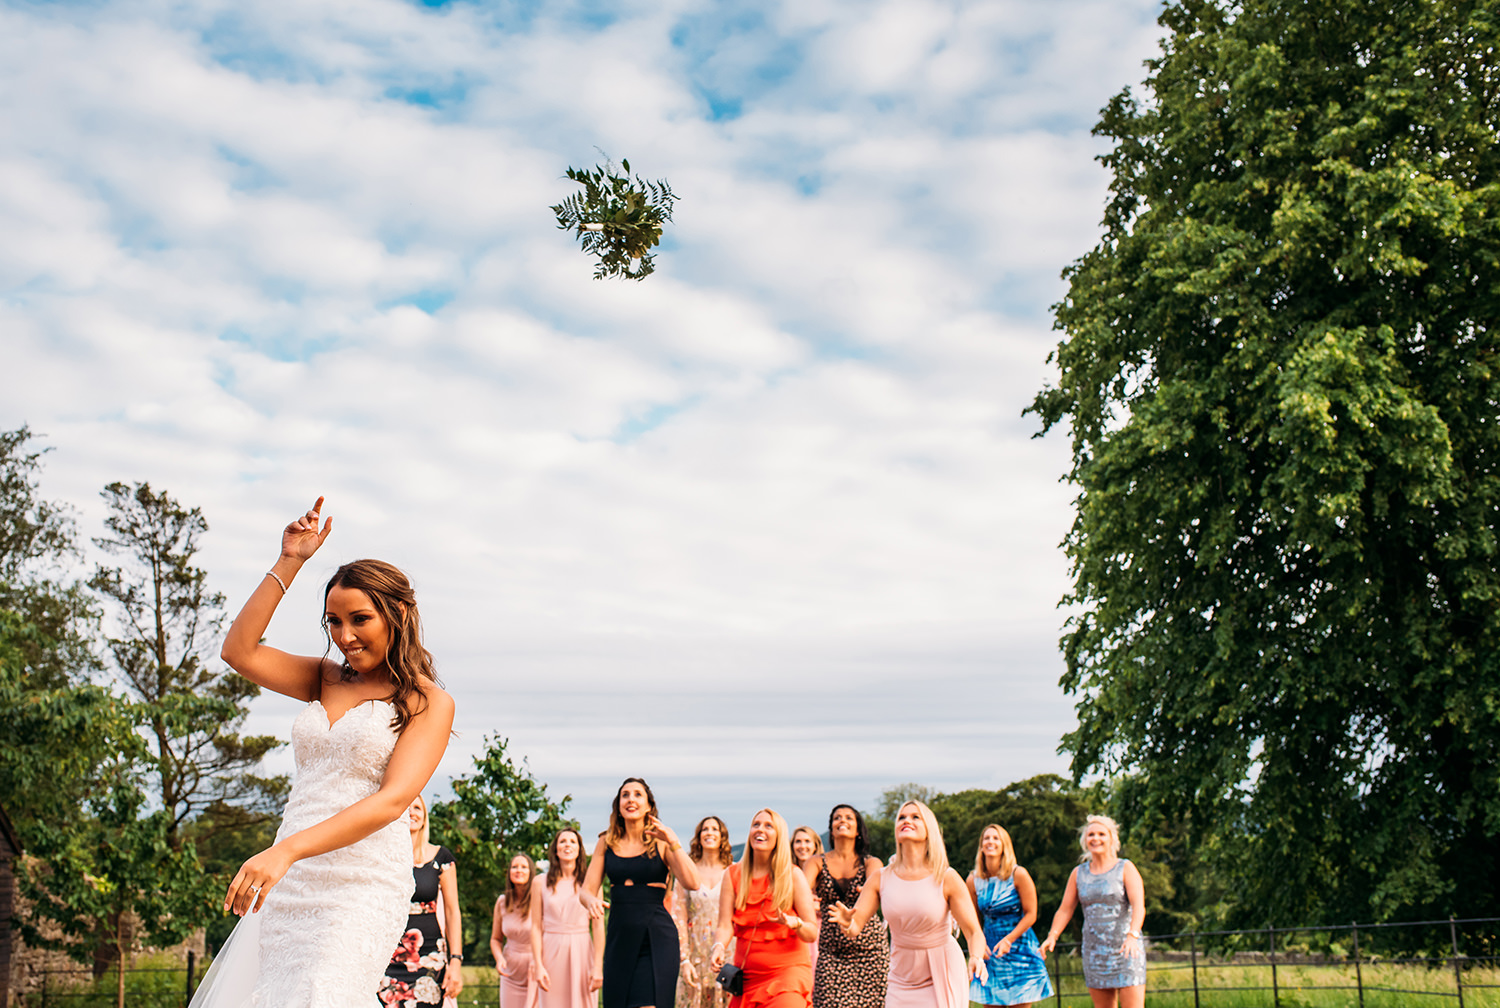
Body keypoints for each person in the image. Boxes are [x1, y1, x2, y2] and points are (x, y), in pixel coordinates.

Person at [198, 498, 455, 1008]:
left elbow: (391, 801)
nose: (344, 636)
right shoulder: (323, 676)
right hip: (290, 875)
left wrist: (285, 851)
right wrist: (291, 559)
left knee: (323, 991)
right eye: (333, 622)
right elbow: (238, 652)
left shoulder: (428, 701)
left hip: (360, 878)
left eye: (359, 619)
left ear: (398, 613)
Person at [831, 802, 987, 1008]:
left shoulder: (946, 877)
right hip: (901, 975)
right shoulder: (881, 878)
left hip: (942, 970)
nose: (907, 821)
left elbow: (973, 931)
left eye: (915, 817)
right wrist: (847, 923)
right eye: (902, 817)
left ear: (929, 829)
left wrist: (976, 956)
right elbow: (855, 927)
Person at [580, 778, 701, 1008]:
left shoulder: (662, 842)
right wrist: (590, 901)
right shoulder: (606, 842)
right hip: (619, 937)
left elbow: (693, 882)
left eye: (637, 794)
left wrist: (674, 841)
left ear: (648, 806)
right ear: (618, 806)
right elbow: (586, 890)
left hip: (656, 937)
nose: (630, 799)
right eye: (625, 795)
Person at [708, 809, 816, 1008]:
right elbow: (724, 925)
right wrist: (718, 947)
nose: (760, 829)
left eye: (769, 826)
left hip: (787, 975)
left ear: (779, 836)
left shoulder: (793, 875)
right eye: (756, 824)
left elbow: (811, 933)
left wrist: (796, 923)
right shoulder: (732, 875)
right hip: (747, 979)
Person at [1038, 816, 1146, 1008]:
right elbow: (1065, 909)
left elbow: (1139, 906)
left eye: (1101, 834)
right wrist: (1052, 936)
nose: (1096, 838)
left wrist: (1132, 935)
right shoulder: (1078, 873)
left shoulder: (1126, 868)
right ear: (1085, 841)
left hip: (1126, 950)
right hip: (1095, 952)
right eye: (1091, 835)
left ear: (1112, 839)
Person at [379, 796, 464, 1007]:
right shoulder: (383, 858)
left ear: (424, 817)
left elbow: (453, 912)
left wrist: (455, 961)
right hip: (387, 957)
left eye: (417, 807)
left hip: (429, 958)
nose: (411, 812)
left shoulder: (441, 858)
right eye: (405, 807)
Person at [802, 805, 887, 1008]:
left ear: (858, 830)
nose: (842, 820)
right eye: (837, 818)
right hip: (832, 953)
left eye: (849, 817)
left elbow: (877, 893)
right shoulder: (815, 862)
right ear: (831, 829)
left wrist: (867, 893)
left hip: (870, 952)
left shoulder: (871, 863)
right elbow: (802, 892)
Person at [967, 824, 1052, 1008]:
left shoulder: (1018, 874)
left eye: (996, 838)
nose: (991, 842)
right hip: (990, 951)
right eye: (986, 838)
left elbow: (1031, 914)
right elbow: (972, 921)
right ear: (981, 846)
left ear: (1004, 845)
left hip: (1019, 949)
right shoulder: (973, 880)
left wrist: (1009, 940)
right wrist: (977, 946)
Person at [533, 828, 606, 1008]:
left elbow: (598, 927)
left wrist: (598, 966)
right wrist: (538, 964)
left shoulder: (592, 884)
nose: (568, 845)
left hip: (582, 950)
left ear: (580, 850)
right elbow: (535, 926)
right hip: (551, 951)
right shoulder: (539, 882)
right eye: (563, 841)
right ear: (555, 849)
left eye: (573, 842)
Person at [672, 817, 734, 1008]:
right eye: (705, 829)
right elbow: (679, 916)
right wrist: (684, 958)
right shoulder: (688, 872)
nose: (710, 833)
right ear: (698, 838)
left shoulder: (733, 872)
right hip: (696, 951)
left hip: (727, 950)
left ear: (722, 837)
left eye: (715, 829)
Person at [492, 853, 541, 1008]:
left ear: (531, 872)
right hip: (510, 972)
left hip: (536, 970)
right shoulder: (502, 902)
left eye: (523, 867)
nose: (518, 870)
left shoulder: (540, 900)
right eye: (514, 867)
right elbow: (495, 939)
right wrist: (499, 958)